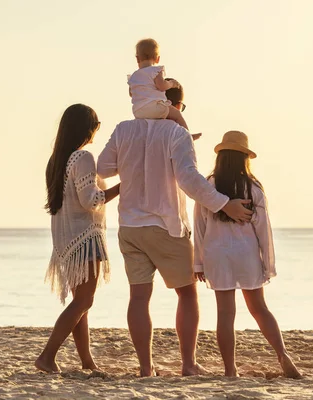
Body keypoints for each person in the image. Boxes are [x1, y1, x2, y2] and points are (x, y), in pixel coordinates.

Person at [97, 83, 253, 377]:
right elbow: (189, 180)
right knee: (187, 295)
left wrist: (134, 159)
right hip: (166, 226)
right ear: (176, 107)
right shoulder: (176, 133)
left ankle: (146, 368)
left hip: (130, 226)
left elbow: (103, 169)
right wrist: (224, 204)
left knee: (139, 297)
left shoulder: (123, 129)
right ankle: (188, 364)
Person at [193, 131, 302, 379]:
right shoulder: (253, 188)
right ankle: (282, 355)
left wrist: (197, 262)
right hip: (246, 254)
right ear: (244, 158)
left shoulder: (209, 187)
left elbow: (199, 226)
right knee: (259, 308)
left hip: (217, 254)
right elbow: (264, 229)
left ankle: (230, 370)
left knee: (225, 313)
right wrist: (268, 264)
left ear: (221, 158)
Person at [35, 104, 120, 373]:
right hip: (84, 238)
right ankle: (47, 356)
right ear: (88, 129)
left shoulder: (57, 160)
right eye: (96, 126)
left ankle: (87, 361)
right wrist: (123, 186)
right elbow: (90, 200)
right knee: (84, 301)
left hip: (66, 240)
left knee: (80, 303)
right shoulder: (83, 157)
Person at [127, 38, 190, 130]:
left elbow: (131, 93)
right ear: (157, 59)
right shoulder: (156, 71)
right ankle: (187, 135)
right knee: (177, 114)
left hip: (138, 111)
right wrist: (172, 84)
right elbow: (162, 86)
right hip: (154, 108)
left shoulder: (134, 77)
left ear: (137, 59)